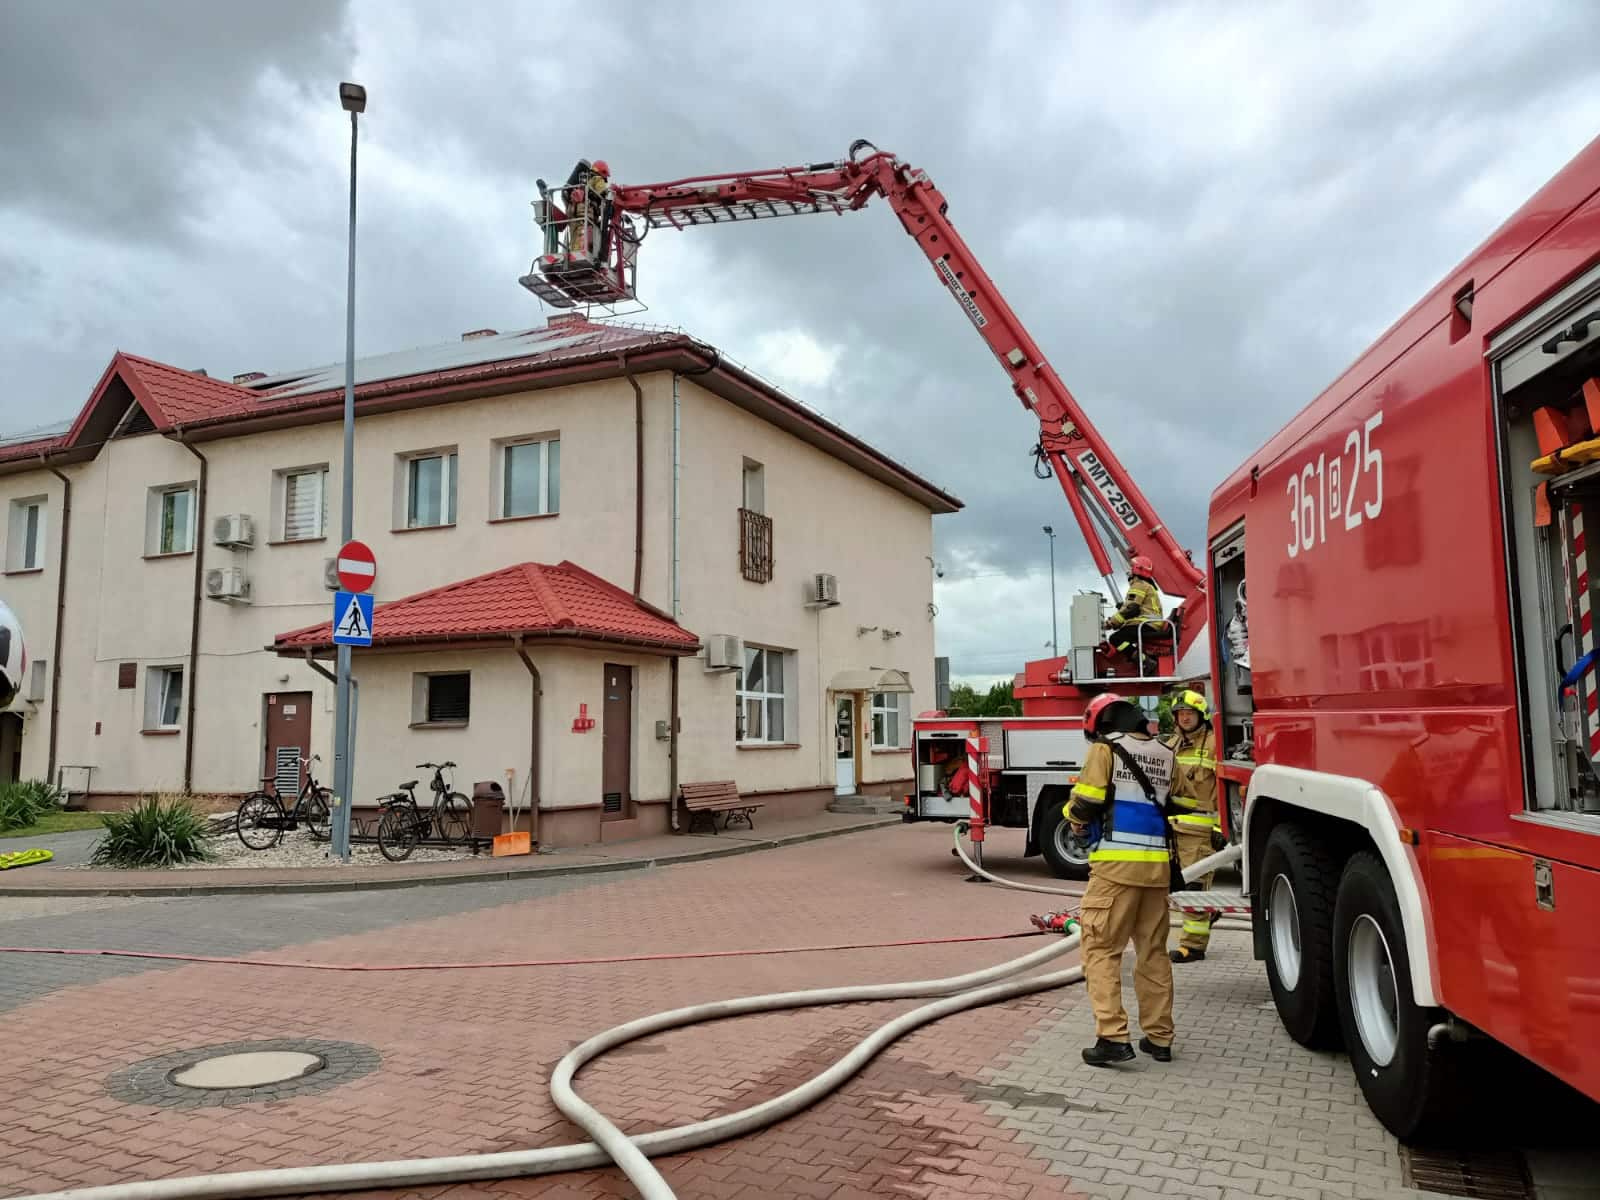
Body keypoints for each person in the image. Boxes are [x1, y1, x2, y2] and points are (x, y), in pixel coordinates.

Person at [1065, 691, 1179, 1065]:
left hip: (1115, 868)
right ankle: (1160, 1038)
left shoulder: (1105, 750)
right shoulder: (1166, 752)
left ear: (1103, 723)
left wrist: (1074, 817)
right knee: (1153, 953)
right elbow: (1187, 803)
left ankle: (1112, 1037)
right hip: (1157, 869)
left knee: (1100, 949)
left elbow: (1087, 801)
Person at [1165, 688, 1220, 964]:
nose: (1185, 718)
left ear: (1202, 716)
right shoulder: (1172, 744)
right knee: (1176, 888)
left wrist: (1222, 828)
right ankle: (1206, 917)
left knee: (1194, 889)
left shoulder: (1213, 744)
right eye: (1180, 714)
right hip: (1175, 830)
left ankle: (1193, 946)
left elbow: (1225, 789)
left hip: (1200, 832)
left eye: (1190, 714)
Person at [1106, 556, 1170, 674]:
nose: (1128, 571)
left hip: (1146, 624)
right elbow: (1132, 609)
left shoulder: (1139, 585)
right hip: (1150, 624)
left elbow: (1131, 609)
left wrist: (1111, 623)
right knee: (1123, 635)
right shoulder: (1147, 586)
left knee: (1116, 638)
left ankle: (1144, 662)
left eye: (1131, 568)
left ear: (1137, 569)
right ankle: (1142, 658)